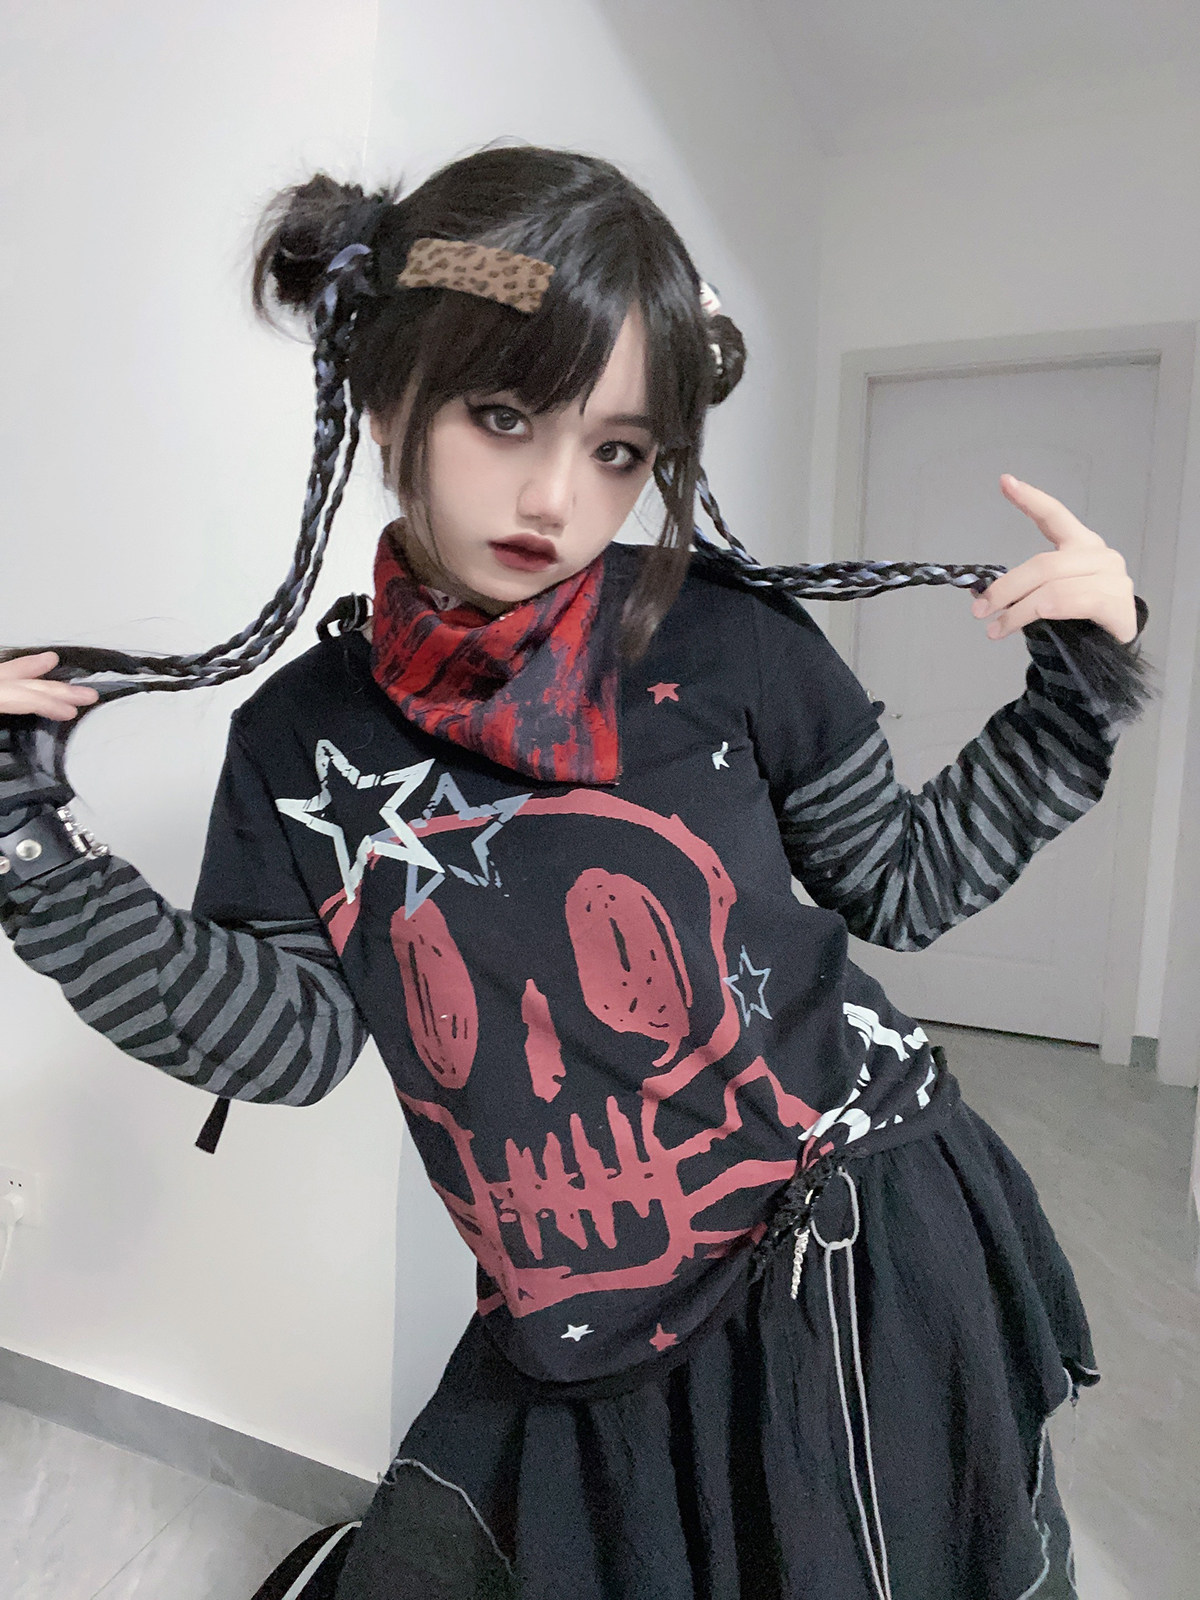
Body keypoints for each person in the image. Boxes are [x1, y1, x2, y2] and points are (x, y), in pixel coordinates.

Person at [0, 146, 1147, 1600]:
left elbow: (904, 887)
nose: (556, 494)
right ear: (388, 398)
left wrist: (1079, 690)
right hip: (572, 1305)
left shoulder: (732, 644)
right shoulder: (298, 737)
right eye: (502, 416)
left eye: (618, 450)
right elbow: (288, 1046)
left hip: (853, 1241)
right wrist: (31, 850)